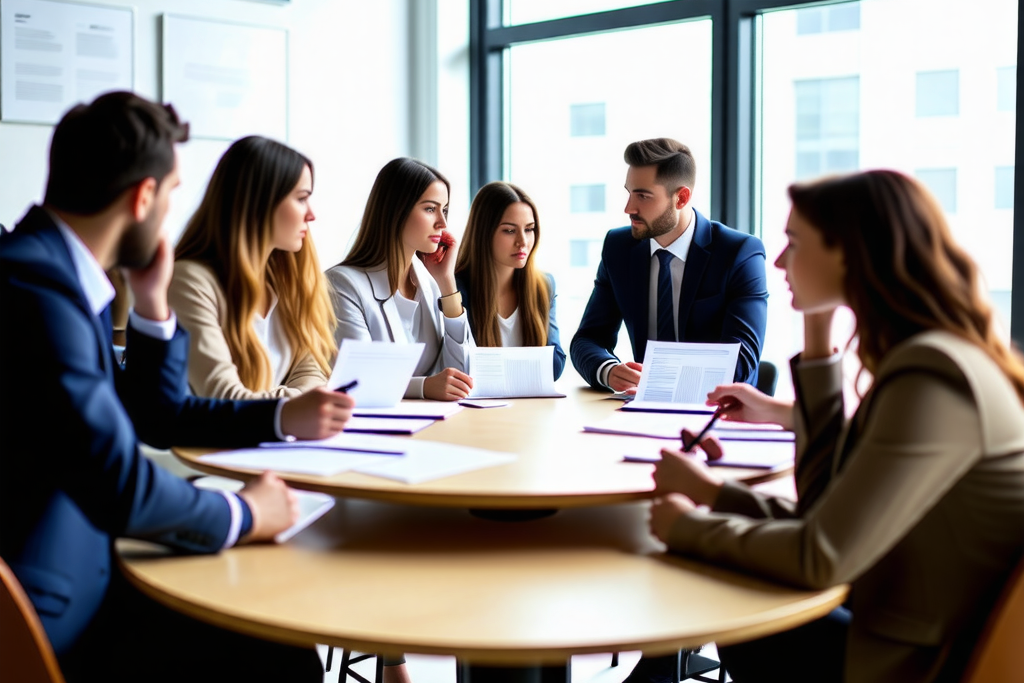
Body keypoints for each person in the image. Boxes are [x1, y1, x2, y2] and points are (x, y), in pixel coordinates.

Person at [0, 91, 355, 681]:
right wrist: (242, 512)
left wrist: (152, 306)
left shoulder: (56, 271)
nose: (172, 212)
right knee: (277, 652)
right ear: (143, 198)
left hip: (86, 568)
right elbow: (121, 484)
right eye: (170, 195)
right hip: (48, 610)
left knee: (279, 641)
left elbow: (153, 417)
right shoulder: (36, 287)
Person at [648, 170, 1024, 683]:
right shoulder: (929, 358)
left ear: (849, 253)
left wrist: (688, 526)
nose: (779, 261)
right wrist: (718, 495)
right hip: (903, 621)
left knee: (726, 595)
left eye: (795, 244)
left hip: (915, 661)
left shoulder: (933, 377)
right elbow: (823, 507)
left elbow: (820, 554)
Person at [570, 138, 768, 393]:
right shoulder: (619, 248)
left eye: (643, 196)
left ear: (681, 198)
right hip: (640, 411)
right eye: (629, 192)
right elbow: (587, 339)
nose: (628, 208)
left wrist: (658, 380)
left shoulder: (740, 253)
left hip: (716, 410)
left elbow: (740, 362)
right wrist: (609, 370)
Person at [169, 136, 336, 399]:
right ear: (260, 203)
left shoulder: (286, 281)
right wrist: (293, 403)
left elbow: (311, 371)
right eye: (301, 198)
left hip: (273, 436)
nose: (311, 214)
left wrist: (286, 401)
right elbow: (224, 396)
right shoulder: (190, 281)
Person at [327, 157, 474, 401]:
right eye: (430, 209)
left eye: (444, 210)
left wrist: (447, 283)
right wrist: (424, 387)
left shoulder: (430, 283)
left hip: (433, 423)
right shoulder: (341, 285)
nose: (443, 223)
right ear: (396, 210)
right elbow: (357, 380)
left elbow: (464, 376)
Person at [454, 181, 566, 379]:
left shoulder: (544, 285)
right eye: (509, 230)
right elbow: (463, 367)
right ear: (483, 233)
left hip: (529, 408)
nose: (523, 242)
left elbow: (554, 366)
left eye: (529, 229)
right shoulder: (457, 289)